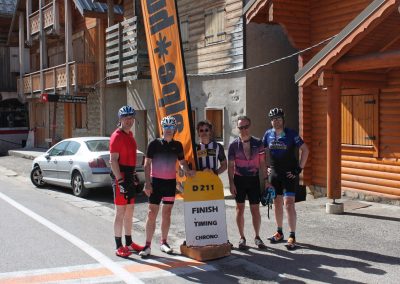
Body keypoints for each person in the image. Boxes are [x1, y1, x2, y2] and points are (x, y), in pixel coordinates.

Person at [139, 116, 195, 257]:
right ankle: (147, 245)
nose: (169, 130)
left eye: (171, 127)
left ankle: (164, 242)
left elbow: (182, 162)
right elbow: (146, 164)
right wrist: (147, 183)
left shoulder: (178, 145)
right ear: (162, 128)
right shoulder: (154, 144)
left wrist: (187, 170)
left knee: (167, 213)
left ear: (174, 129)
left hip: (170, 183)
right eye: (166, 127)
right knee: (152, 213)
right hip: (155, 182)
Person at [262, 107, 309, 250]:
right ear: (271, 122)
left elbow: (305, 150)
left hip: (289, 174)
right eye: (273, 119)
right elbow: (262, 152)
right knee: (277, 203)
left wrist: (299, 168)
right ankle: (279, 232)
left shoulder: (291, 134)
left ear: (283, 120)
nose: (276, 121)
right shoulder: (268, 135)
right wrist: (267, 168)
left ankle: (292, 235)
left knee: (289, 204)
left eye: (278, 118)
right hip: (275, 174)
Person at [228, 115, 267, 250]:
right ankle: (242, 237)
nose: (243, 130)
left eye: (246, 127)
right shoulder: (233, 145)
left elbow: (262, 163)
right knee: (240, 209)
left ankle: (257, 236)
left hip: (254, 179)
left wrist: (266, 181)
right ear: (238, 128)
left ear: (250, 127)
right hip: (239, 180)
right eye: (241, 127)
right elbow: (230, 166)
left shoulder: (258, 143)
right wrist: (231, 183)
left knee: (255, 209)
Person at [110, 105, 144, 257]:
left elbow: (131, 158)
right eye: (125, 118)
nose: (129, 120)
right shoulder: (116, 136)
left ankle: (129, 243)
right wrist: (120, 180)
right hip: (121, 177)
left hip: (130, 175)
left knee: (130, 212)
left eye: (131, 118)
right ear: (120, 119)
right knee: (120, 212)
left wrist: (134, 175)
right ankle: (118, 246)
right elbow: (113, 161)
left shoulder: (130, 136)